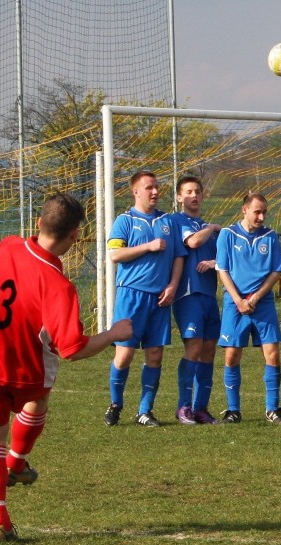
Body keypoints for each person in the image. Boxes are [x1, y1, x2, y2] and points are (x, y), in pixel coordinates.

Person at [0, 194, 132, 544]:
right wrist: (114, 333)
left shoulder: (7, 247)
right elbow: (73, 349)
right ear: (75, 236)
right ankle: (16, 463)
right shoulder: (59, 286)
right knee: (37, 402)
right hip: (26, 370)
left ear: (39, 223)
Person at [103, 171, 186, 427]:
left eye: (157, 187)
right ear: (136, 191)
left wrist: (173, 286)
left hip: (160, 298)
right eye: (149, 187)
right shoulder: (125, 221)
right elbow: (115, 254)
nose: (155, 192)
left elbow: (178, 257)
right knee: (125, 354)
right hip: (131, 296)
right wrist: (147, 247)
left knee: (155, 355)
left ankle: (144, 411)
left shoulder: (168, 221)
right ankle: (116, 404)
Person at [216, 192, 281, 424]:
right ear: (244, 210)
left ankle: (272, 409)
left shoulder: (270, 236)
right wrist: (238, 299)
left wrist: (255, 298)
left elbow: (276, 271)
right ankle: (233, 410)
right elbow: (222, 270)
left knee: (272, 354)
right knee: (232, 355)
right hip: (234, 304)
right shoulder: (227, 234)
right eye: (257, 211)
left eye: (264, 212)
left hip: (263, 303)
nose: (261, 216)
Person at [171, 175, 221, 424]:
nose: (194, 195)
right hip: (187, 294)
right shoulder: (178, 221)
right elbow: (193, 242)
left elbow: (225, 260)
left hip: (209, 295)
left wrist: (215, 262)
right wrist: (212, 227)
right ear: (179, 197)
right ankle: (184, 407)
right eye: (188, 191)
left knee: (209, 350)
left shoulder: (207, 227)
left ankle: (201, 407)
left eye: (198, 191)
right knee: (193, 347)